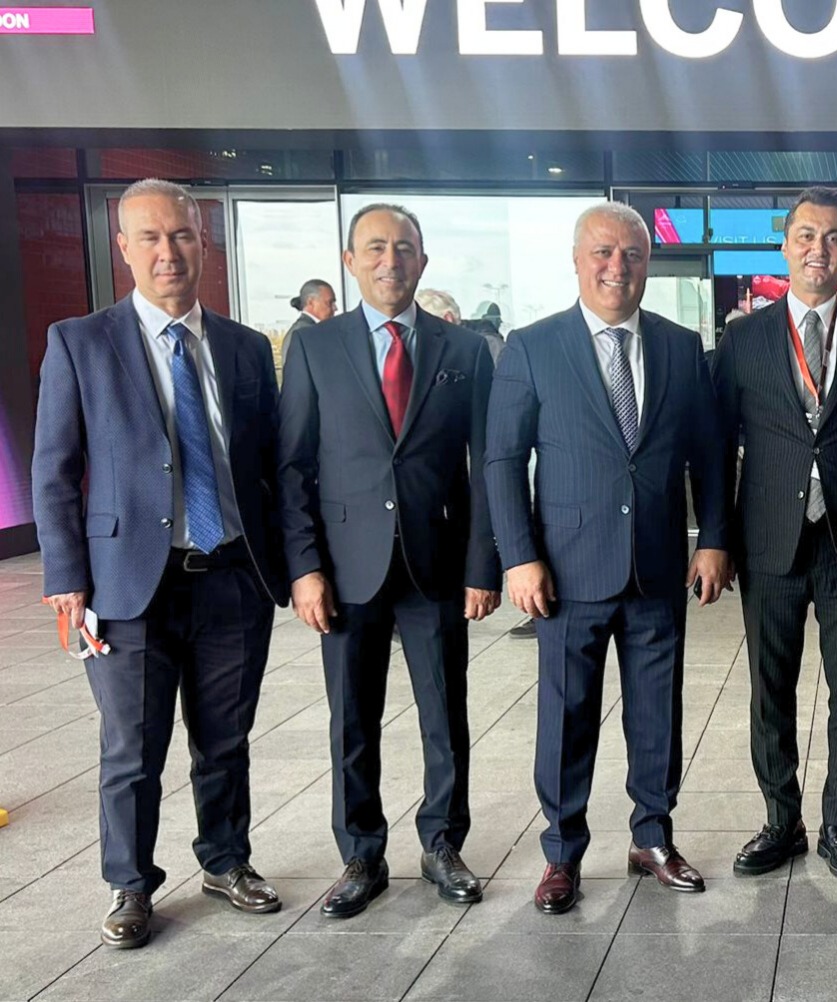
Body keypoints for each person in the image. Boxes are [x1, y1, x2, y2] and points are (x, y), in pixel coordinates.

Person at [33, 179, 289, 948]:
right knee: (131, 749)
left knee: (225, 740)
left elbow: (272, 464)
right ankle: (130, 884)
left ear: (203, 242)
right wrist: (66, 579)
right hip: (126, 587)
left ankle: (226, 861)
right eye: (149, 237)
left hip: (232, 577)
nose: (167, 251)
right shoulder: (79, 342)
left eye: (180, 235)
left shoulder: (245, 347)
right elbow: (53, 469)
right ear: (123, 248)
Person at [484, 202, 732, 915]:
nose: (617, 266)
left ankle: (652, 836)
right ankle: (562, 852)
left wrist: (714, 539)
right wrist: (519, 557)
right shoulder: (533, 346)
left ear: (648, 263)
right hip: (565, 572)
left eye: (632, 254)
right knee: (567, 717)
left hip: (657, 567)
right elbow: (502, 460)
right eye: (603, 252)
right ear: (577, 259)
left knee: (658, 713)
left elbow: (710, 454)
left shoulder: (681, 347)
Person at [278, 203, 502, 919]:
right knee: (352, 719)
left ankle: (442, 843)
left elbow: (486, 466)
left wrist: (482, 565)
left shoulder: (463, 350)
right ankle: (361, 853)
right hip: (347, 569)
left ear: (422, 261)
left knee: (446, 714)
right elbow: (293, 466)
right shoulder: (315, 348)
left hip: (436, 564)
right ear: (350, 261)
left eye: (404, 248)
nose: (390, 260)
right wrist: (305, 567)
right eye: (375, 247)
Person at [712, 187, 837, 881]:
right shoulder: (743, 339)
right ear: (785, 246)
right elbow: (717, 447)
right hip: (769, 539)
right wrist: (714, 539)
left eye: (832, 238)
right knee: (770, 690)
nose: (817, 249)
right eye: (805, 236)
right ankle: (781, 821)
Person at [282, 278, 337, 359]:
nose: (335, 308)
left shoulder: (301, 331)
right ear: (310, 302)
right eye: (329, 302)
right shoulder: (305, 333)